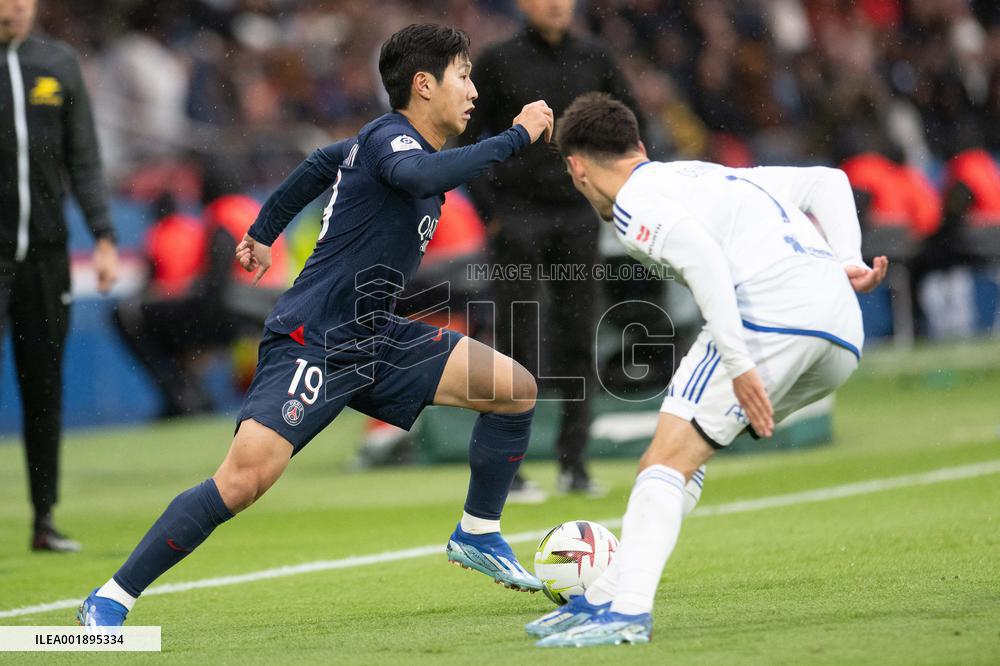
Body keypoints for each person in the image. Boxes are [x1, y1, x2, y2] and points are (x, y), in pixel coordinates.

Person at [77, 23, 555, 626]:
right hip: (315, 338)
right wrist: (516, 136)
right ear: (424, 84)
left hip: (374, 334)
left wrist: (262, 230)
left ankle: (479, 533)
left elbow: (318, 163)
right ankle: (111, 598)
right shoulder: (392, 140)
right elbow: (418, 179)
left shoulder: (380, 146)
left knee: (513, 389)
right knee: (242, 481)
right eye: (463, 76)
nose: (474, 91)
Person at [526, 93, 888, 647]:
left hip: (771, 314)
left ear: (576, 169)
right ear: (639, 145)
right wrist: (848, 259)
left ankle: (627, 612)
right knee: (685, 454)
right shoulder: (706, 175)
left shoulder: (632, 202)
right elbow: (827, 181)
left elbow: (703, 257)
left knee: (662, 461)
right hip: (841, 330)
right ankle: (604, 597)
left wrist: (738, 362)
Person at [459, 0, 643, 496]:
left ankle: (574, 464)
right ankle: (508, 468)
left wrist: (612, 193)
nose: (557, 4)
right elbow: (466, 135)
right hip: (516, 216)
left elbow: (629, 130)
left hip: (578, 214)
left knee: (579, 337)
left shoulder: (595, 57)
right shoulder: (498, 60)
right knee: (516, 342)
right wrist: (492, 212)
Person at [0, 0, 119, 552]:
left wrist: (103, 236)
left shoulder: (58, 63)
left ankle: (43, 519)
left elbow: (84, 158)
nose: (16, 7)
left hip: (47, 258)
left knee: (44, 384)